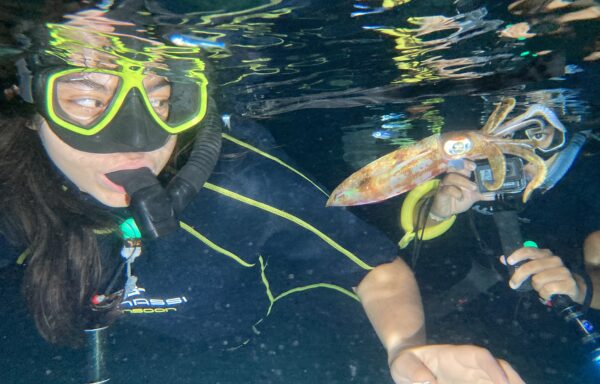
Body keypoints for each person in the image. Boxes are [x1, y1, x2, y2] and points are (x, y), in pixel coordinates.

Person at [0, 4, 525, 384]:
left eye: (163, 102)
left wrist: (407, 349)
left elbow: (375, 267)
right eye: (86, 101)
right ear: (27, 106)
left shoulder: (238, 180)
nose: (139, 142)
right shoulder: (10, 189)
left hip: (247, 351)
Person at [421, 159, 600, 310]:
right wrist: (436, 213)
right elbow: (407, 225)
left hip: (552, 301)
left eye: (536, 133)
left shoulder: (588, 172)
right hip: (476, 274)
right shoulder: (464, 161)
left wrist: (581, 288)